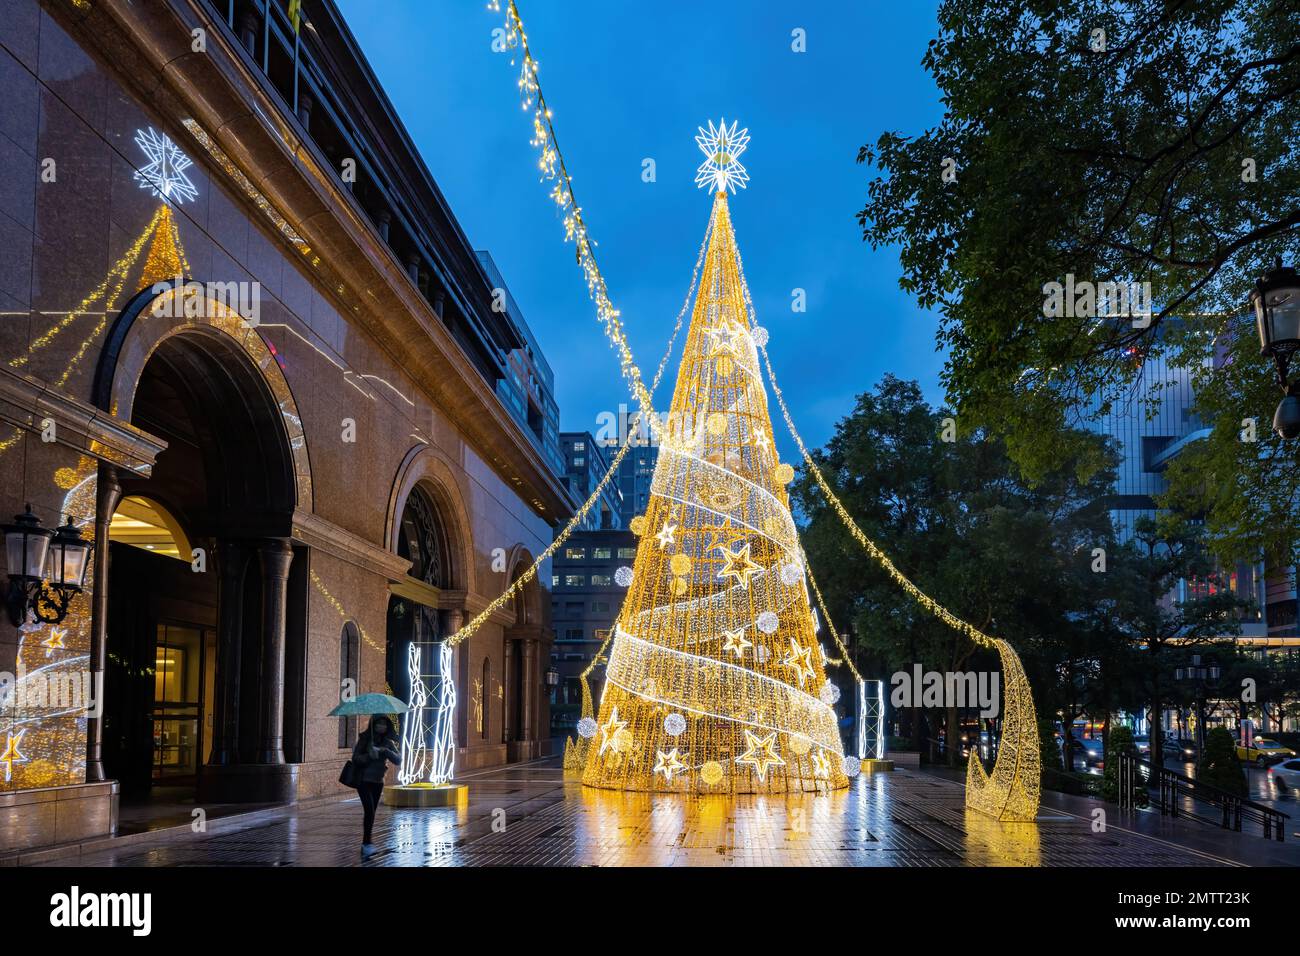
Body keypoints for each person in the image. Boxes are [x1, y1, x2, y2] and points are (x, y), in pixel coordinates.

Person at [352, 715, 401, 856]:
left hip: (378, 782)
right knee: (369, 811)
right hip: (363, 781)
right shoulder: (365, 739)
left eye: (384, 724)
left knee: (371, 812)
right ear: (373, 726)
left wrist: (384, 751)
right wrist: (369, 755)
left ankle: (367, 843)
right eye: (379, 724)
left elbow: (398, 759)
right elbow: (355, 758)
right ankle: (366, 843)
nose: (382, 726)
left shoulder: (388, 742)